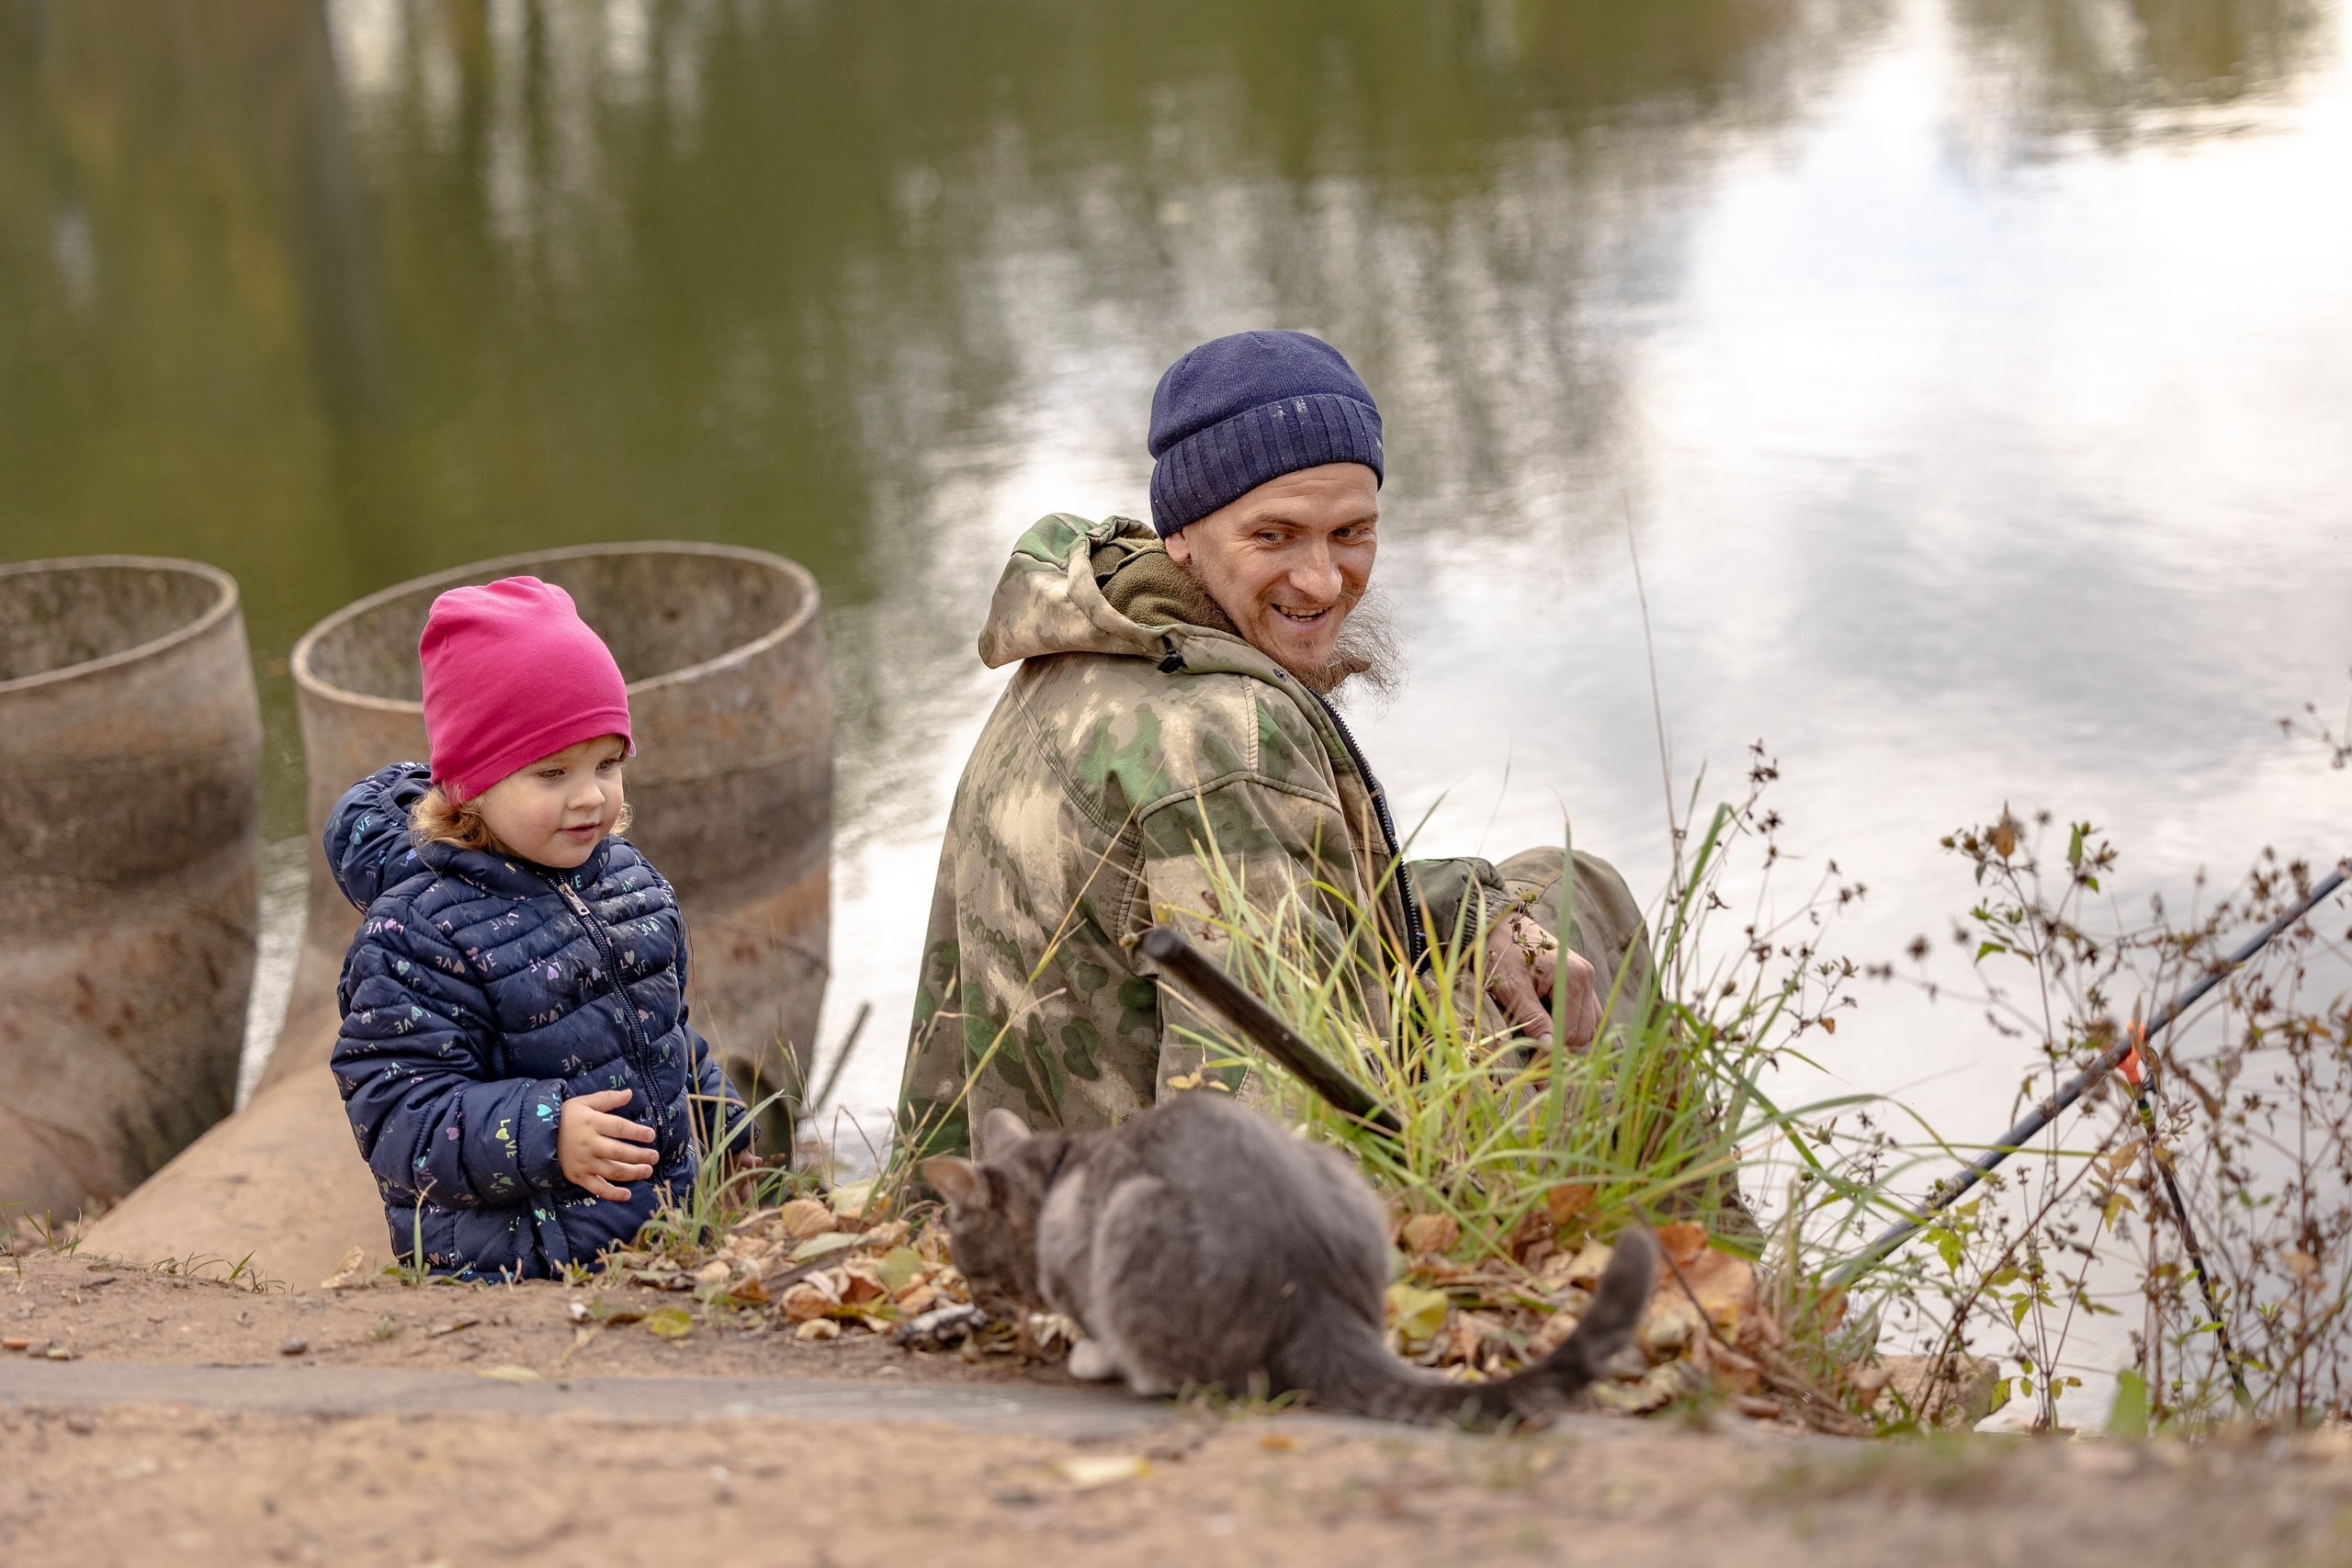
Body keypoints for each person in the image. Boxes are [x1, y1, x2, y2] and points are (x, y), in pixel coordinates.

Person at [899, 330, 1651, 1159]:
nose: (1324, 580)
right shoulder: (1229, 741)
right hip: (1128, 1233)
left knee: (1522, 891)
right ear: (1183, 531)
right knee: (1587, 896)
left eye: (1352, 532)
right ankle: (1700, 1265)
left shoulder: (1095, 641)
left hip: (1012, 1182)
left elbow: (1258, 905)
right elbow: (1270, 1133)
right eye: (1275, 536)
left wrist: (1463, 910)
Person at [326, 576, 746, 1278]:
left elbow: (662, 1035)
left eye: (607, 763)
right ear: (470, 787)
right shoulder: (418, 935)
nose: (590, 797)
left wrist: (719, 1118)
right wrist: (545, 1133)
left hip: (655, 1247)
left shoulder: (627, 882)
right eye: (551, 772)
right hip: (514, 1272)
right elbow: (398, 1113)